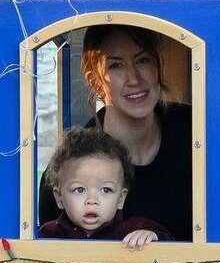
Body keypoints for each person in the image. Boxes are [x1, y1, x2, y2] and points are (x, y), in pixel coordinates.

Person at [37, 25, 193, 241]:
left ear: (158, 65)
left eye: (143, 60)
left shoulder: (196, 128)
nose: (134, 78)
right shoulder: (68, 170)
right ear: (94, 80)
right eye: (116, 65)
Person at [39, 128, 172, 247]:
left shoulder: (133, 229)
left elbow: (174, 249)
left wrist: (153, 238)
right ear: (59, 198)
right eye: (79, 190)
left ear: (121, 198)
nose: (92, 200)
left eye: (106, 190)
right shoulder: (49, 234)